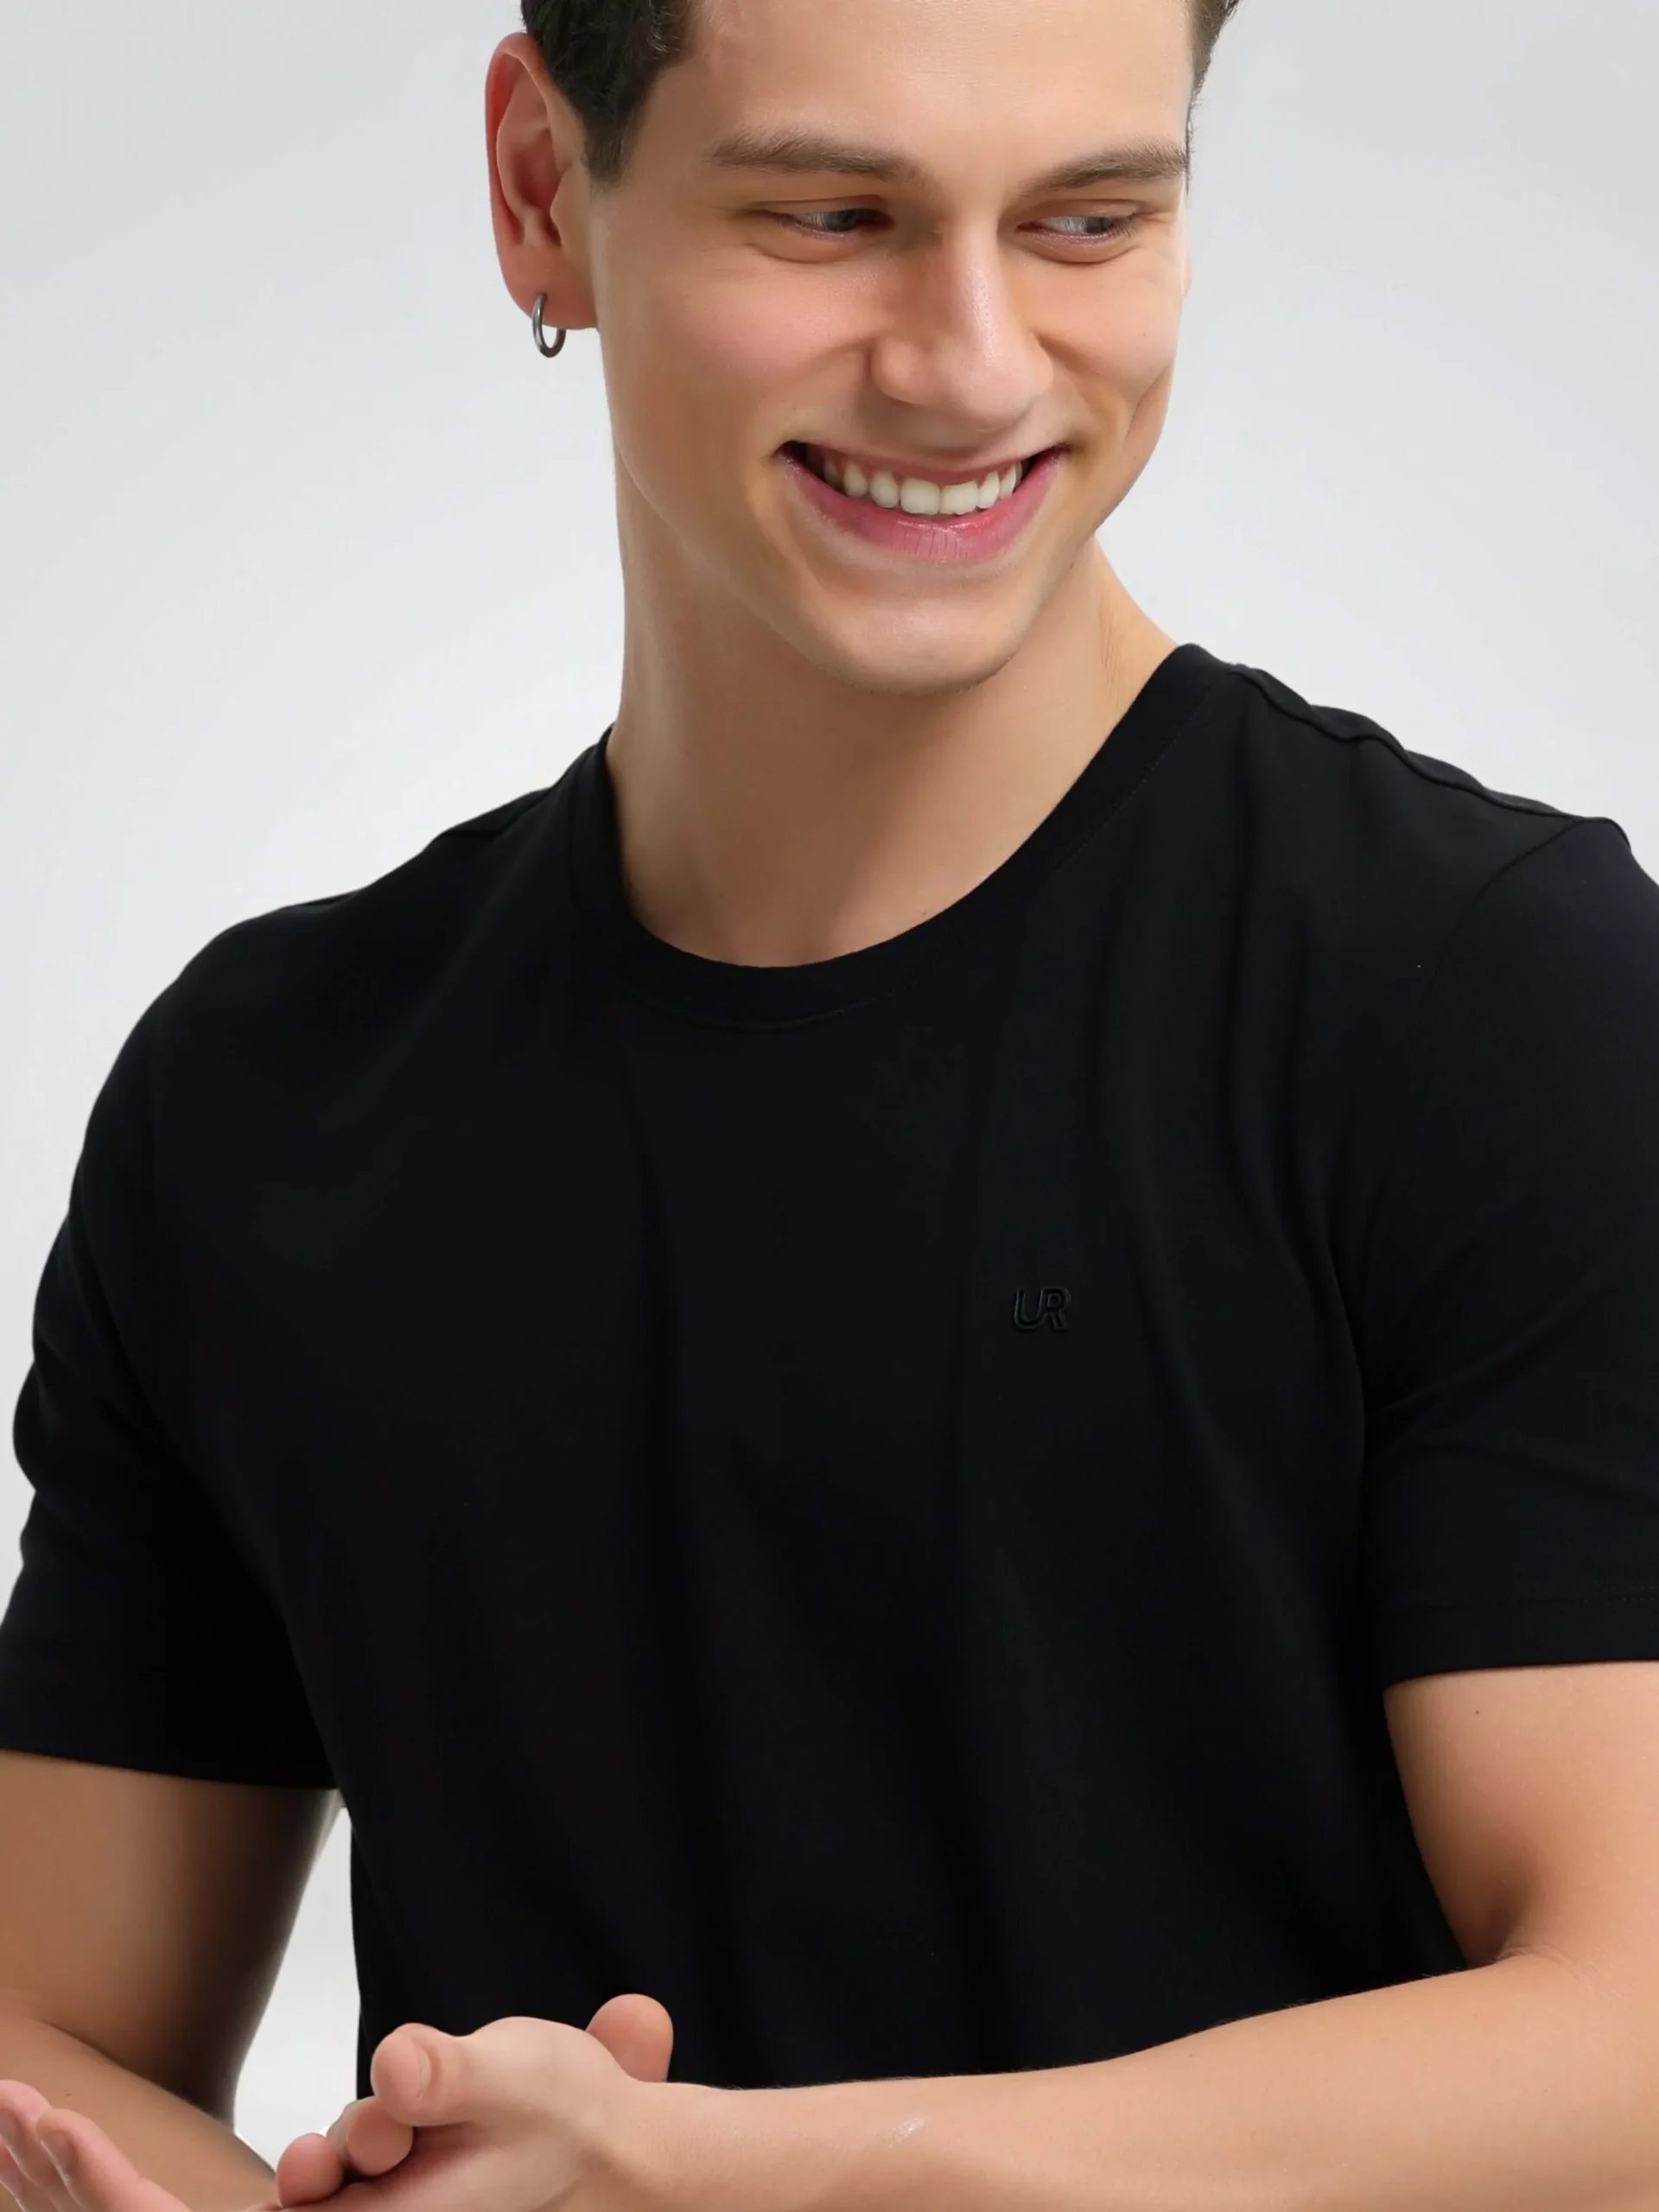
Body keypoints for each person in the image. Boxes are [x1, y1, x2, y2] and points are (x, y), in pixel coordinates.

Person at [3, 2, 1659, 2210]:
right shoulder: (259, 1103)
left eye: (1087, 221)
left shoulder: (1487, 998)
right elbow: (45, 2031)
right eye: (833, 214)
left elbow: (1632, 2035)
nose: (971, 363)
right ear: (543, 191)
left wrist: (710, 2177)